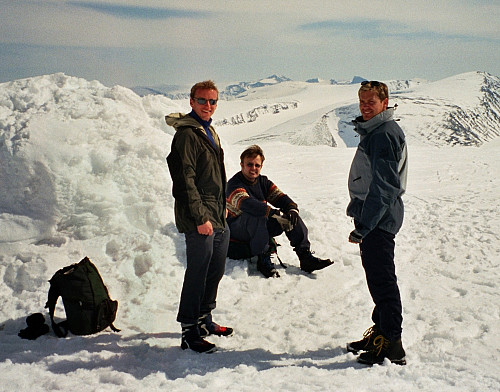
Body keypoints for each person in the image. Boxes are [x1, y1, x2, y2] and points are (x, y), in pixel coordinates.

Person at [166, 80, 232, 353]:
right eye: (203, 101)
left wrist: (222, 205)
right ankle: (189, 329)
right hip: (200, 216)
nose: (208, 106)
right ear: (191, 101)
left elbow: (213, 175)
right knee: (197, 272)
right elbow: (185, 180)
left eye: (213, 101)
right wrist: (200, 217)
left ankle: (205, 318)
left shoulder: (208, 130)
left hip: (216, 212)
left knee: (214, 269)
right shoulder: (187, 135)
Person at [345, 80, 408, 365]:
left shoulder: (383, 134)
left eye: (371, 101)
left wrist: (364, 226)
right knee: (377, 278)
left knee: (382, 281)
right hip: (375, 217)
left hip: (378, 220)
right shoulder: (377, 131)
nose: (365, 106)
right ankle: (381, 332)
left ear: (385, 103)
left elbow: (384, 187)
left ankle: (392, 344)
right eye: (362, 101)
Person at [226, 145, 333, 278]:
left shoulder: (263, 182)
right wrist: (272, 212)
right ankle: (263, 258)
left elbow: (280, 197)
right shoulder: (234, 184)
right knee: (257, 214)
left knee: (290, 216)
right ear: (241, 165)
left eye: (257, 165)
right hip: (238, 232)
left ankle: (304, 256)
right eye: (249, 164)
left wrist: (291, 209)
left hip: (257, 228)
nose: (253, 168)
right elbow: (247, 204)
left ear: (261, 166)